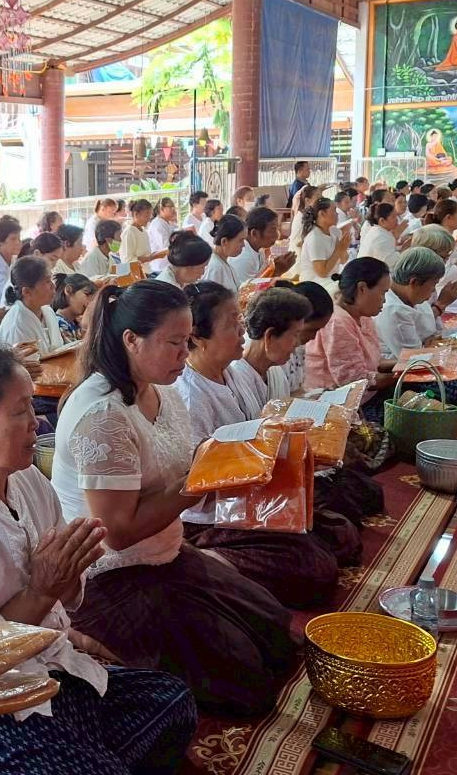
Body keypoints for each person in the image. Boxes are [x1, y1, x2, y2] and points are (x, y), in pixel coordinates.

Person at [0, 346, 198, 773]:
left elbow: (67, 597)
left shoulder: (29, 480)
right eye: (19, 412)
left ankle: (83, 757)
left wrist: (67, 577)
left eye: (32, 406)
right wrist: (40, 590)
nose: (38, 421)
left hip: (44, 670)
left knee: (173, 703)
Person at [51, 281, 295, 715]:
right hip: (111, 577)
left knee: (278, 632)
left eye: (187, 342)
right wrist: (199, 483)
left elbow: (183, 470)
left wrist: (228, 467)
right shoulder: (103, 415)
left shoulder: (162, 391)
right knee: (246, 685)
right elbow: (118, 535)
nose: (186, 355)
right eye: (174, 343)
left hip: (165, 552)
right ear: (131, 340)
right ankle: (93, 641)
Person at [174, 283, 357, 608]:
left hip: (257, 497)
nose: (243, 330)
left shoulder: (234, 375)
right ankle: (204, 560)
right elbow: (195, 482)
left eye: (240, 319)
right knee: (317, 570)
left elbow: (260, 436)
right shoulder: (189, 395)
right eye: (231, 324)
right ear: (198, 337)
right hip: (211, 519)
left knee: (343, 534)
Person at [374, 248, 457, 411]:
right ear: (414, 282)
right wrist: (436, 347)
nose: (433, 290)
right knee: (452, 391)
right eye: (433, 284)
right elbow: (413, 360)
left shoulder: (414, 296)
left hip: (427, 357)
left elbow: (433, 334)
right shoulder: (393, 310)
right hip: (405, 373)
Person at [305, 258, 395, 421]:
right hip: (340, 407)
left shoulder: (362, 315)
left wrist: (405, 366)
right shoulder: (338, 322)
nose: (384, 299)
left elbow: (373, 362)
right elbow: (353, 381)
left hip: (366, 397)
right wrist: (401, 376)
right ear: (362, 288)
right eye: (383, 292)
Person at [266, 280, 334, 399]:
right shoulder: (275, 355)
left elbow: (296, 390)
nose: (313, 337)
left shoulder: (297, 348)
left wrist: (317, 396)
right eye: (311, 330)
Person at [0, 255, 65, 357]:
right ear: (27, 291)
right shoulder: (17, 325)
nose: (53, 286)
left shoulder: (47, 310)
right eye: (47, 281)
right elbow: (31, 369)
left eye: (51, 279)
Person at [294, 199, 351, 292]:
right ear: (322, 214)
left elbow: (343, 260)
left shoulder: (335, 231)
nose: (337, 214)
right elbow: (322, 272)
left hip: (330, 279)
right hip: (314, 284)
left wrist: (343, 248)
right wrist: (339, 249)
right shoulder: (315, 237)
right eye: (334, 210)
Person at [232, 207, 294, 286]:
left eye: (277, 229)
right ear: (254, 233)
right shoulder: (242, 257)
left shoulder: (259, 249)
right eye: (272, 230)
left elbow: (260, 280)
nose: (276, 235)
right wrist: (277, 271)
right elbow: (247, 294)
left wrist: (275, 267)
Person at [202, 214, 245, 290]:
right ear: (224, 241)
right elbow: (210, 300)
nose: (243, 245)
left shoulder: (224, 262)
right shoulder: (215, 267)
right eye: (240, 240)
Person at [52, 273, 96, 341]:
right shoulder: (59, 323)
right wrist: (85, 328)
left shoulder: (75, 322)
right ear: (68, 290)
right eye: (86, 294)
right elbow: (78, 351)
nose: (89, 302)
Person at [359, 202, 402, 268]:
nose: (397, 220)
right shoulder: (379, 237)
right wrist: (404, 249)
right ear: (382, 221)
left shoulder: (381, 231)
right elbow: (389, 262)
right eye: (393, 217)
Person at [120, 199, 157, 268]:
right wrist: (149, 258)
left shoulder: (144, 231)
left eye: (150, 216)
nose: (149, 219)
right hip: (136, 276)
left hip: (146, 273)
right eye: (146, 216)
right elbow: (126, 261)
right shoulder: (129, 232)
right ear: (136, 214)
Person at [146, 198, 177, 273]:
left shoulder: (168, 223)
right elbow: (166, 246)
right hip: (160, 268)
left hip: (168, 265)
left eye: (174, 207)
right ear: (162, 209)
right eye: (170, 207)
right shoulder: (158, 224)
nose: (173, 209)